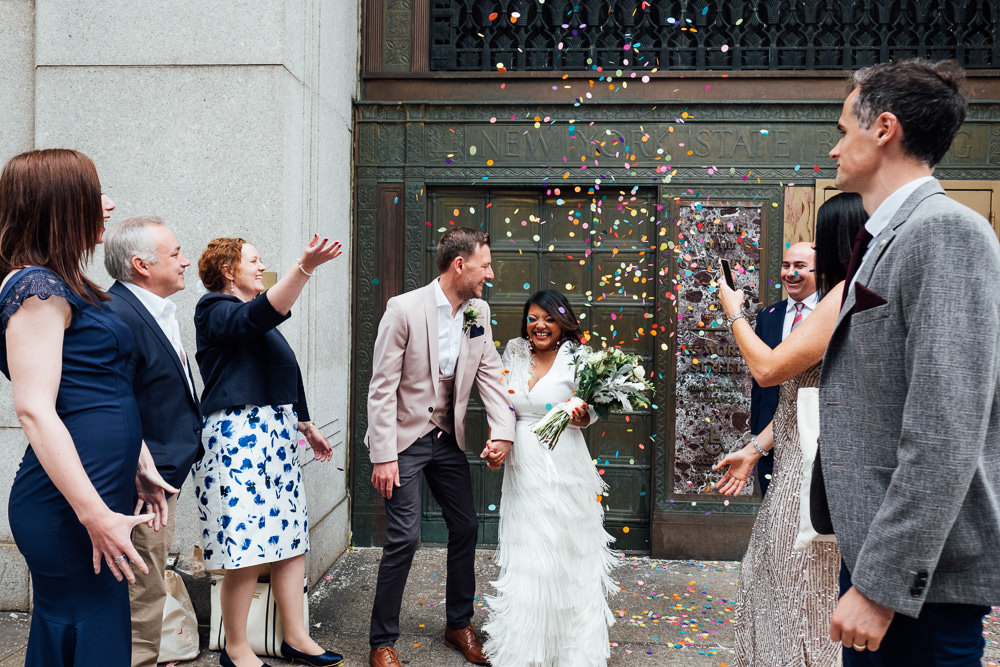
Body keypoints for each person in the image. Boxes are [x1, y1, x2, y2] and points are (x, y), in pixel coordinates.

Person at [812, 58, 1000, 665]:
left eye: (844, 130)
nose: (836, 148)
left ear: (884, 128)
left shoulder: (946, 232)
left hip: (916, 584)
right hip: (877, 559)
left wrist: (880, 587)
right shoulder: (886, 237)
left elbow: (944, 430)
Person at [0, 148, 174, 666]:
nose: (110, 203)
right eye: (96, 193)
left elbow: (103, 385)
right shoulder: (35, 288)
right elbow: (34, 409)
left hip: (97, 493)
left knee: (93, 629)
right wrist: (93, 512)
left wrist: (138, 461)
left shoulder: (62, 283)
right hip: (68, 508)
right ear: (59, 204)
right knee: (88, 630)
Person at [713, 192, 867, 666]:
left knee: (797, 589)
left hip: (810, 475)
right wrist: (756, 448)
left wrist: (732, 311)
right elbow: (806, 401)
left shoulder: (845, 294)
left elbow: (768, 370)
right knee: (775, 580)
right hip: (795, 461)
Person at [365, 227, 515, 667]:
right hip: (403, 440)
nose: (490, 273)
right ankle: (381, 641)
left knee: (466, 527)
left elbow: (489, 372)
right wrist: (383, 455)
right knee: (404, 537)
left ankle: (457, 624)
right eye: (485, 265)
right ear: (460, 265)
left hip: (447, 437)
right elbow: (381, 387)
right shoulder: (405, 309)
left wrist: (501, 432)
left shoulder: (477, 311)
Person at [192, 235, 344, 667]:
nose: (262, 267)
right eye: (254, 261)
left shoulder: (260, 322)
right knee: (244, 547)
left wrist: (306, 423)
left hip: (276, 437)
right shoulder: (214, 309)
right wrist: (305, 268)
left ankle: (296, 638)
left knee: (291, 541)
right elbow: (256, 316)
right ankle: (235, 647)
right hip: (236, 439)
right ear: (228, 270)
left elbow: (283, 375)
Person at [482, 289, 616, 667]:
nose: (540, 325)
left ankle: (571, 648)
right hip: (523, 461)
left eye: (549, 319)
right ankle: (526, 647)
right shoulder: (514, 351)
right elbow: (501, 406)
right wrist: (497, 444)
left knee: (566, 549)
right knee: (529, 551)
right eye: (533, 317)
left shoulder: (578, 357)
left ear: (563, 323)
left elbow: (594, 409)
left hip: (566, 462)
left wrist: (583, 416)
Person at [104, 216, 203, 667]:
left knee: (147, 587)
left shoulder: (156, 308)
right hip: (141, 484)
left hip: (161, 476)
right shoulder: (118, 314)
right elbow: (113, 406)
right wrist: (143, 471)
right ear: (141, 265)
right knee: (141, 593)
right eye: (177, 253)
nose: (186, 261)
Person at [749, 241, 818, 497]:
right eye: (786, 266)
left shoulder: (829, 313)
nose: (790, 273)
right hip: (771, 441)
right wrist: (758, 435)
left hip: (814, 439)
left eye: (800, 266)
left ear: (819, 272)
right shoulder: (768, 316)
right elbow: (760, 380)